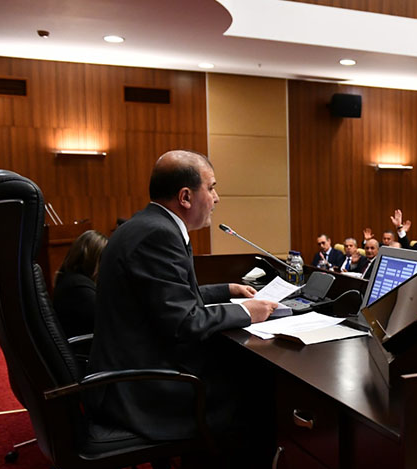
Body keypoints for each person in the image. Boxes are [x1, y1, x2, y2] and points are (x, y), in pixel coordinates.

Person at [88, 150, 278, 441]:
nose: (216, 199)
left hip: (133, 370)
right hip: (144, 389)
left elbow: (165, 298)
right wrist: (247, 312)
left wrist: (226, 290)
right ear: (186, 197)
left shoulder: (144, 225)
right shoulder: (158, 235)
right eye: (212, 188)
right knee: (260, 384)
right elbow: (184, 322)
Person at [52, 229, 107, 338]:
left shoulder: (69, 279)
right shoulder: (78, 287)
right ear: (94, 259)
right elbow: (107, 321)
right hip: (85, 349)